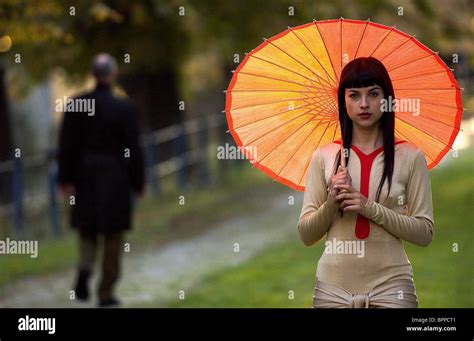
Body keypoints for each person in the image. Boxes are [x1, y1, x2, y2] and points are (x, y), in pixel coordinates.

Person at [297, 57, 435, 308]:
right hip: (332, 291)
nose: (363, 104)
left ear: (387, 98)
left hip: (393, 290)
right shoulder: (324, 157)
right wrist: (331, 202)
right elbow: (307, 235)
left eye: (373, 93)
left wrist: (368, 207)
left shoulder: (410, 156)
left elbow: (425, 233)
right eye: (354, 95)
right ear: (343, 101)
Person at [58, 53, 145, 307]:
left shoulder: (76, 105)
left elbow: (66, 146)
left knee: (87, 232)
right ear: (113, 74)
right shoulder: (124, 108)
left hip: (85, 177)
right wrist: (138, 182)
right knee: (113, 236)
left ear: (93, 73)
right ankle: (105, 292)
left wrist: (65, 179)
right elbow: (134, 149)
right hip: (115, 177)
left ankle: (85, 268)